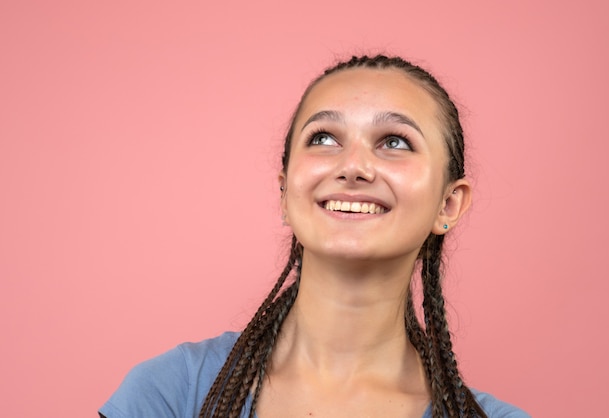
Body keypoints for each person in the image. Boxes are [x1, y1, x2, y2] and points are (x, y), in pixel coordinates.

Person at [99, 55, 529, 418]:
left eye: (395, 142)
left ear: (449, 204)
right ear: (285, 192)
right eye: (323, 138)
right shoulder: (171, 392)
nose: (353, 166)